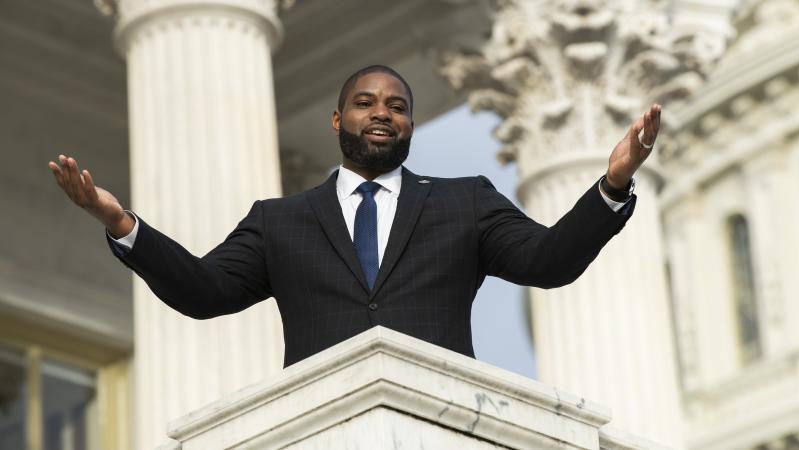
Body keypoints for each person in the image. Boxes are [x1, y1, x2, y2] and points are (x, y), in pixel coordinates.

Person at [49, 65, 661, 367]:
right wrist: (122, 224)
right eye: (364, 102)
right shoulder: (279, 221)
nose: (381, 113)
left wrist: (612, 182)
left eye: (397, 106)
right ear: (338, 121)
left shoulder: (464, 202)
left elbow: (548, 262)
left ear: (411, 125)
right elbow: (206, 291)